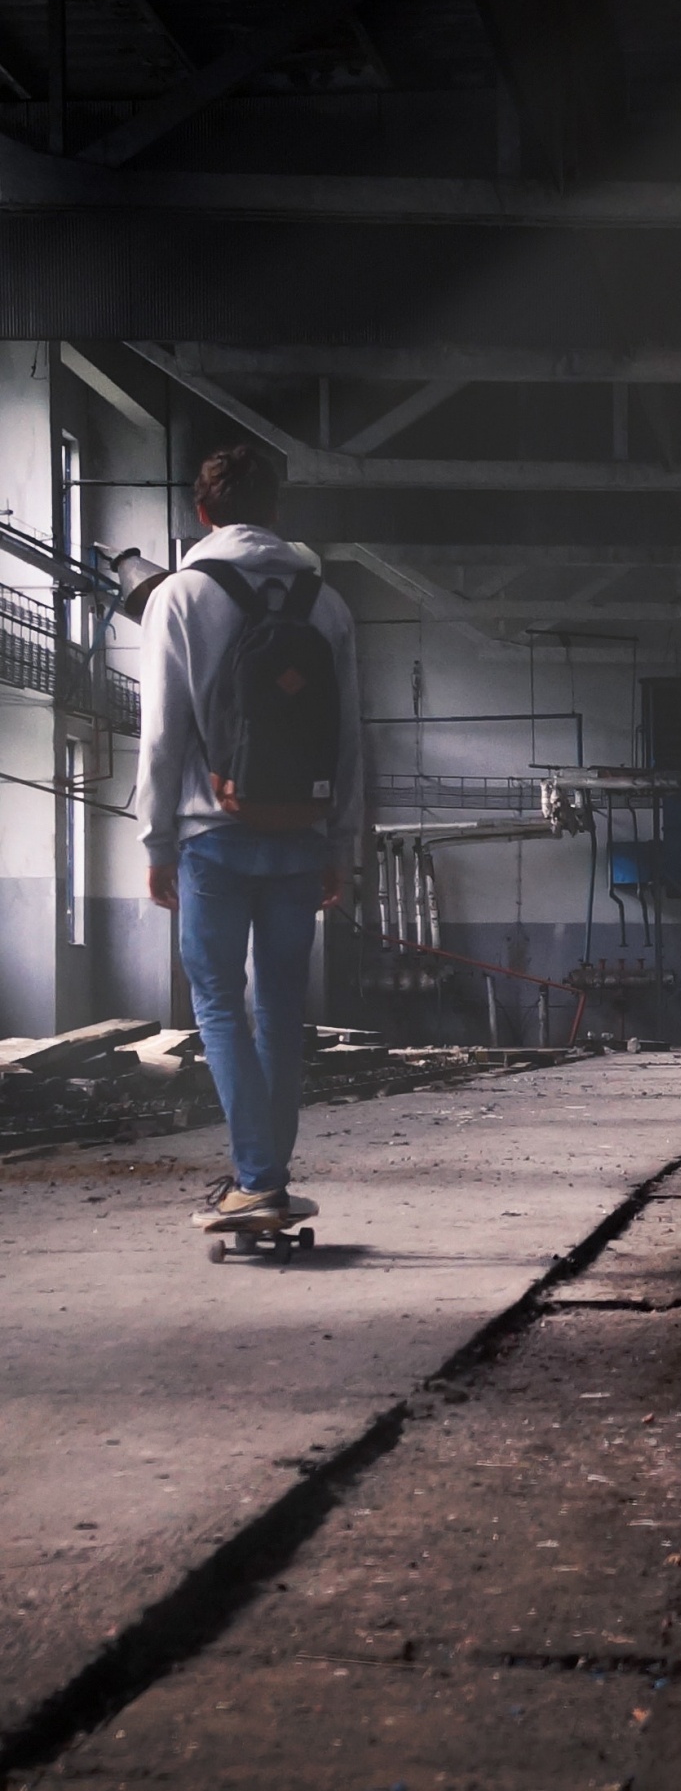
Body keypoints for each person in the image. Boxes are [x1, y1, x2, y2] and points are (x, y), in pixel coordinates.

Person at [136, 444, 362, 1231]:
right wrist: (341, 844)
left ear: (201, 513)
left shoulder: (181, 594)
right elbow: (349, 740)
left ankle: (258, 1179)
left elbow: (161, 733)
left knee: (220, 1007)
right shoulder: (326, 604)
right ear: (274, 509)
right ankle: (269, 1177)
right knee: (281, 1009)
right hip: (302, 837)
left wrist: (156, 841)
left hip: (212, 838)